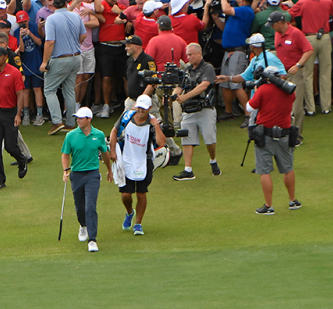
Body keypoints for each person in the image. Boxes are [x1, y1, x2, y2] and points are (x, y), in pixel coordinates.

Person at [108, 94, 166, 236]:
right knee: (126, 194)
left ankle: (138, 224)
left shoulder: (152, 124)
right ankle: (129, 212)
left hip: (144, 161)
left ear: (149, 109)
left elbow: (161, 142)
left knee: (141, 193)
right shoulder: (126, 117)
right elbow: (114, 131)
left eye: (144, 108)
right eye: (139, 107)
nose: (141, 111)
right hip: (126, 159)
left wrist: (156, 125)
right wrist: (113, 151)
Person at [247, 66, 301, 215]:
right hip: (284, 135)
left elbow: (249, 107)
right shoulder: (289, 92)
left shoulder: (263, 90)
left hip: (265, 136)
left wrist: (258, 89)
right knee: (288, 168)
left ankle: (268, 206)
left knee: (264, 171)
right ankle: (292, 200)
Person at [61, 107, 113, 252]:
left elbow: (105, 154)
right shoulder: (71, 136)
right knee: (80, 206)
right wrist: (65, 170)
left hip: (92, 175)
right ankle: (83, 225)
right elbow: (65, 155)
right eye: (77, 117)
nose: (78, 120)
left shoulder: (99, 135)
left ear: (89, 119)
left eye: (81, 118)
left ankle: (92, 239)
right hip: (76, 174)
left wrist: (109, 170)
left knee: (90, 205)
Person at [288, 0, 333, 115]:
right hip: (324, 37)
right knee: (325, 73)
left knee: (308, 74)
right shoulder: (327, 1)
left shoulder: (303, 2)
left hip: (309, 38)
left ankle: (310, 108)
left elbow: (290, 14)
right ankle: (326, 106)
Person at [0, 46, 29, 190]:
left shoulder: (14, 73)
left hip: (10, 112)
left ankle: (22, 160)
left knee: (10, 146)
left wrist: (18, 115)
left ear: (5, 57)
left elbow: (20, 94)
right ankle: (0, 180)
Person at [171, 43, 220, 181]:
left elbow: (203, 86)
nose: (188, 57)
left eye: (191, 54)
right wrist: (175, 95)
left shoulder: (208, 68)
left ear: (199, 54)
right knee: (186, 137)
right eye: (187, 55)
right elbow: (180, 87)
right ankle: (188, 170)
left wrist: (185, 97)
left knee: (210, 139)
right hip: (190, 109)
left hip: (205, 108)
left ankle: (213, 160)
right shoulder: (186, 70)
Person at [41, 0, 87, 135]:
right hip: (75, 57)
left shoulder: (51, 19)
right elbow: (83, 35)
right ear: (67, 3)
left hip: (60, 58)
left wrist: (44, 62)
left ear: (54, 4)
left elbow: (50, 42)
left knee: (49, 90)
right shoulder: (75, 16)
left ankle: (57, 122)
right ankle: (70, 123)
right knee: (69, 90)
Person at [266, 12, 313, 145]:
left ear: (279, 23)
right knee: (282, 105)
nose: (272, 27)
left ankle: (296, 136)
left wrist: (298, 65)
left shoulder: (296, 33)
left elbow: (309, 50)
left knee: (296, 106)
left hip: (295, 73)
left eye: (273, 25)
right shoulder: (277, 33)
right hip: (282, 74)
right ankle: (284, 134)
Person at [216, 0, 256, 123]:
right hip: (229, 51)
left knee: (236, 84)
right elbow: (224, 28)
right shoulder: (239, 12)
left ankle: (248, 114)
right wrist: (216, 17)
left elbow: (227, 9)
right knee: (225, 83)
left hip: (238, 52)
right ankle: (229, 111)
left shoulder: (246, 10)